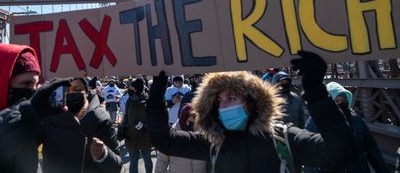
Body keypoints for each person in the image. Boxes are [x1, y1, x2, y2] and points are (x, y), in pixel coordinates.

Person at [146, 50, 358, 173]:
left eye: (231, 98)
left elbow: (341, 152)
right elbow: (165, 141)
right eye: (218, 101)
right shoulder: (212, 143)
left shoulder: (283, 139)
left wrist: (316, 92)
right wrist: (155, 100)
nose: (223, 106)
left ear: (249, 103)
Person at [0, 43, 71, 173]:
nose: (33, 92)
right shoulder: (25, 119)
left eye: (36, 85)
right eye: (26, 83)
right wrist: (28, 113)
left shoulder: (28, 125)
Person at [304, 81, 389, 173]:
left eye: (343, 101)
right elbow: (310, 158)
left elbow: (372, 150)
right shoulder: (315, 123)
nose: (340, 104)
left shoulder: (356, 121)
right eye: (336, 101)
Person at [42, 77, 123, 173]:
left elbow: (117, 167)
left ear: (87, 91)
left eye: (77, 89)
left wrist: (103, 155)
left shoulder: (102, 121)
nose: (71, 93)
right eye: (66, 90)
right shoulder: (48, 119)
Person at [155, 103, 207, 173]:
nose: (196, 120)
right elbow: (161, 163)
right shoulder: (171, 136)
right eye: (193, 116)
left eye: (198, 116)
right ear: (184, 117)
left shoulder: (203, 135)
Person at [120, 77, 153, 173]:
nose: (130, 89)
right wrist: (122, 127)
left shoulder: (148, 100)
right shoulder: (129, 100)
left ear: (137, 88)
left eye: (132, 87)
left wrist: (144, 126)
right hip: (131, 136)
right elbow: (126, 115)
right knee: (133, 162)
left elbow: (153, 119)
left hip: (145, 136)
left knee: (147, 161)